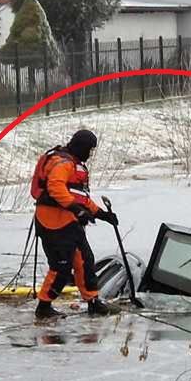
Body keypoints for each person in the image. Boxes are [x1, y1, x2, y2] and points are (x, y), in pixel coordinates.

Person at [30, 129, 119, 320]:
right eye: (90, 150)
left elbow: (80, 197)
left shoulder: (73, 164)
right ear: (82, 147)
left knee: (85, 260)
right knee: (61, 266)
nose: (90, 154)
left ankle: (93, 301)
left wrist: (102, 214)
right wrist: (75, 209)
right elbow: (55, 187)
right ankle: (44, 307)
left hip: (68, 221)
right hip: (53, 222)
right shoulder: (63, 164)